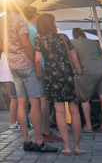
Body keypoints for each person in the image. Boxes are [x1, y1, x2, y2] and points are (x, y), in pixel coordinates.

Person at [1, 1, 56, 153]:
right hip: (27, 65)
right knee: (36, 102)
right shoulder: (20, 20)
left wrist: (12, 58)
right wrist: (34, 61)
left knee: (21, 102)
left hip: (13, 65)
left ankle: (27, 140)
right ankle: (39, 141)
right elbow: (26, 43)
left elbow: (1, 44)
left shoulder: (1, 22)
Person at [33, 14, 83, 155]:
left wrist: (40, 72)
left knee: (59, 111)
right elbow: (74, 57)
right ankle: (77, 147)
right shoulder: (63, 37)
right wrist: (79, 71)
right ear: (51, 23)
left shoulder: (39, 40)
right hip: (67, 75)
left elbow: (37, 60)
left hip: (53, 77)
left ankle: (67, 147)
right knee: (74, 110)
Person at [70, 28, 102, 133]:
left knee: (85, 98)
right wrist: (100, 67)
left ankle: (88, 125)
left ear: (74, 35)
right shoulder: (93, 42)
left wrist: (78, 71)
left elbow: (73, 58)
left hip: (87, 70)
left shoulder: (72, 43)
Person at [0, 51, 19, 130]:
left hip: (6, 77)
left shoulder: (4, 50)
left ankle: (17, 122)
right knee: (15, 99)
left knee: (15, 99)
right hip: (10, 76)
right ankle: (13, 123)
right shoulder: (10, 49)